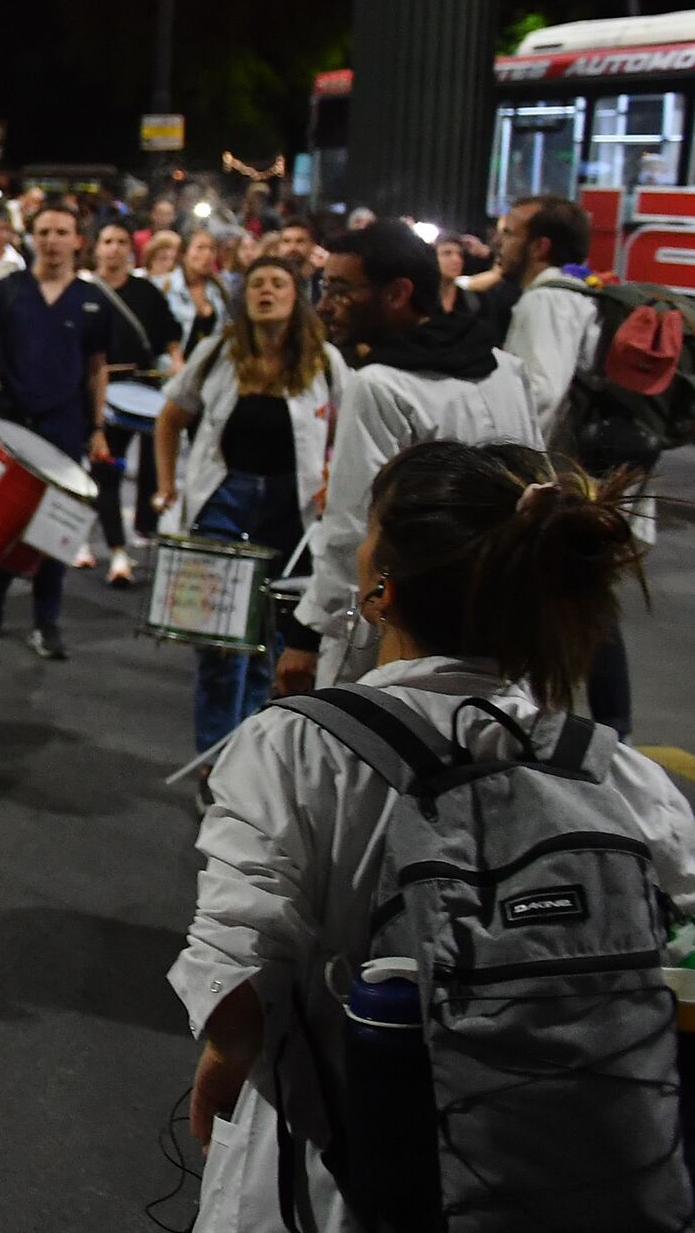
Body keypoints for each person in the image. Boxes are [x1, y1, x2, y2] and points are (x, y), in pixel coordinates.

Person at [172, 441, 695, 1232]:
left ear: (382, 586)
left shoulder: (296, 748)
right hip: (547, 1190)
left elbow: (240, 977)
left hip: (337, 1187)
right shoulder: (614, 775)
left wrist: (223, 1064)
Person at [277, 218, 540, 695]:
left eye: (340, 289)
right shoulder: (504, 366)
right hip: (508, 613)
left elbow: (354, 526)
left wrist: (308, 634)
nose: (323, 304)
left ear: (398, 293)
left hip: (413, 627)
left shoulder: (381, 386)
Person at [153, 257, 346, 755]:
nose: (266, 291)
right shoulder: (219, 351)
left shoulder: (325, 360)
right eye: (257, 283)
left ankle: (255, 754)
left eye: (278, 283)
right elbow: (170, 418)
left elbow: (350, 433)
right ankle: (213, 758)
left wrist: (335, 479)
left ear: (295, 296)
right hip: (224, 501)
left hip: (292, 512)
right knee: (220, 640)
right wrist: (167, 485)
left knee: (275, 645)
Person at [493, 194, 640, 733]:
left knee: (563, 602)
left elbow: (541, 393)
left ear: (540, 245)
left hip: (565, 475)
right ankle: (612, 733)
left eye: (509, 233)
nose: (499, 243)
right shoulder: (579, 292)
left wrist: (505, 461)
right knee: (588, 603)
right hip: (591, 472)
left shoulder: (546, 299)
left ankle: (568, 733)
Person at [0, 199, 110, 660]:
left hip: (65, 427)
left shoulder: (92, 300)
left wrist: (98, 426)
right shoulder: (8, 291)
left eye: (61, 232)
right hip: (11, 420)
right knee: (3, 520)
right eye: (43, 232)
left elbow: (97, 369)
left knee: (55, 530)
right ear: (31, 238)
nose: (51, 241)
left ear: (77, 241)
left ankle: (46, 620)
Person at [86, 218, 182, 585]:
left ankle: (144, 526)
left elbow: (169, 336)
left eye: (121, 241)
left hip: (140, 389)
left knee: (151, 465)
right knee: (105, 470)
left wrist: (177, 364)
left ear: (131, 249)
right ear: (96, 248)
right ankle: (116, 553)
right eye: (107, 240)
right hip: (97, 393)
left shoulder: (145, 292)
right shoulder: (85, 292)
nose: (113, 248)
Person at [164, 228, 229, 349]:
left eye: (212, 249)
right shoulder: (166, 287)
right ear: (184, 253)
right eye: (200, 248)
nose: (208, 254)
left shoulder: (220, 289)